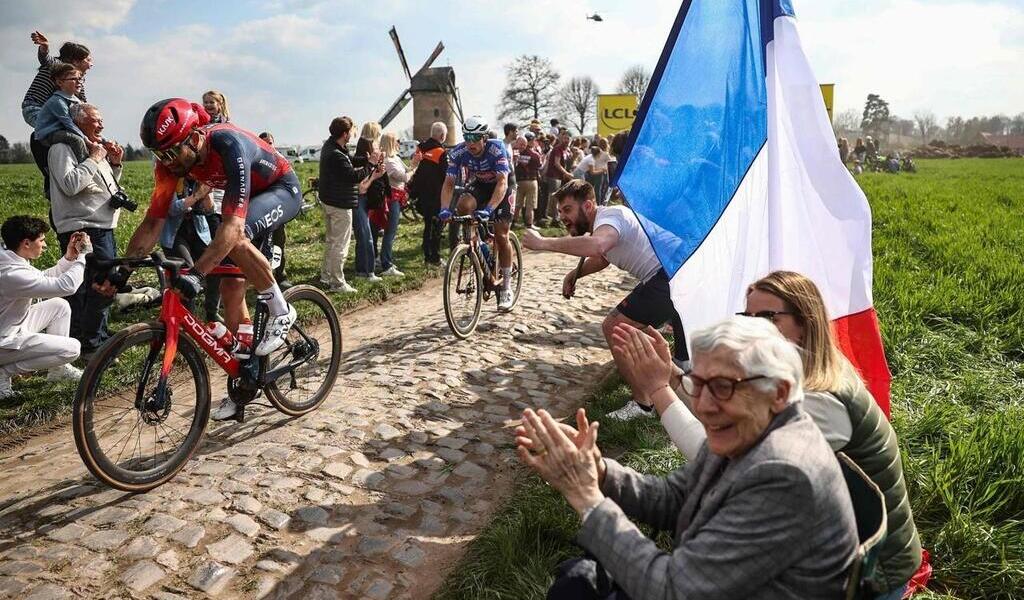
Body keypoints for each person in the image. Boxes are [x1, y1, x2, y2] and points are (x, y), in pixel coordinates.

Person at [611, 271, 922, 599]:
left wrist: (658, 391)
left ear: (805, 323)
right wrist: (674, 376)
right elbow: (729, 417)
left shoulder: (818, 399)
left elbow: (720, 459)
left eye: (769, 318)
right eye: (749, 317)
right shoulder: (801, 366)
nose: (755, 328)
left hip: (871, 576)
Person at [516, 316, 858, 599]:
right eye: (699, 383)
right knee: (577, 580)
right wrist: (599, 469)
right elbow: (674, 497)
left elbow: (674, 591)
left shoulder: (783, 472)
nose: (705, 406)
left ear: (779, 393)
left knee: (576, 587)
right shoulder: (751, 429)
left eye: (723, 387)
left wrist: (586, 497)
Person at [111, 98, 302, 421]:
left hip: (278, 189)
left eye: (172, 153)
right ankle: (246, 377)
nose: (167, 162)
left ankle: (281, 309)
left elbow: (232, 227)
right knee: (230, 289)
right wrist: (122, 272)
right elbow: (153, 223)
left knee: (235, 239)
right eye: (160, 155)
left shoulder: (227, 143)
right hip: (243, 198)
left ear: (194, 138)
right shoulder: (170, 164)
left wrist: (197, 274)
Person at [522, 179, 689, 420]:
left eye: (567, 210)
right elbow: (603, 256)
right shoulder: (606, 220)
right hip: (670, 274)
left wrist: (544, 243)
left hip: (668, 277)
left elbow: (598, 245)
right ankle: (677, 382)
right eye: (560, 212)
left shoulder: (609, 217)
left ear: (588, 206)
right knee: (633, 330)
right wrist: (575, 274)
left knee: (615, 327)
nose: (563, 217)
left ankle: (644, 404)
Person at [48, 102, 124, 359]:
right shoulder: (62, 147)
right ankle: (89, 343)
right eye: (95, 120)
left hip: (101, 225)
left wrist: (114, 164)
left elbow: (106, 188)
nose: (101, 124)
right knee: (93, 284)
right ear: (78, 121)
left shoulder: (92, 148)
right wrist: (94, 159)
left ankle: (95, 335)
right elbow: (70, 185)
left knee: (98, 282)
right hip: (82, 225)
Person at [0, 216, 87, 400]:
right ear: (26, 243)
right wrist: (83, 256)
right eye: (41, 240)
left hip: (10, 327)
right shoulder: (10, 274)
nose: (44, 246)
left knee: (59, 306)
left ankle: (58, 371)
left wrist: (69, 258)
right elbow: (66, 287)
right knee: (72, 349)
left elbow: (41, 279)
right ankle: (5, 370)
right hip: (3, 341)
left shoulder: (9, 258)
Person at [437, 116, 517, 311]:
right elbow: (448, 183)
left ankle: (506, 286)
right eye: (467, 137)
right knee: (463, 205)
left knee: (501, 234)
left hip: (503, 186)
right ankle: (479, 247)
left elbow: (502, 183)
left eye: (475, 138)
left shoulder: (496, 149)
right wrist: (444, 209)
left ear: (484, 138)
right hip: (481, 184)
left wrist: (489, 210)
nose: (470, 143)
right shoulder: (459, 152)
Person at [407, 121, 448, 264]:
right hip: (436, 195)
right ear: (442, 136)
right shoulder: (441, 152)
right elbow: (446, 176)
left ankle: (426, 253)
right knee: (436, 226)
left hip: (420, 193)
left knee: (428, 224)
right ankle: (434, 257)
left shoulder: (420, 149)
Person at [258, 131, 293, 289]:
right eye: (264, 142)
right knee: (261, 245)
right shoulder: (255, 161)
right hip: (260, 209)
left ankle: (281, 275)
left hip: (278, 208)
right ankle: (263, 278)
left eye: (270, 142)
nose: (267, 145)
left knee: (279, 242)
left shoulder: (281, 160)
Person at [353, 122, 383, 280]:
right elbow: (364, 169)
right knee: (366, 235)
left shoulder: (363, 146)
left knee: (364, 234)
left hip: (364, 193)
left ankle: (362, 270)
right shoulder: (367, 147)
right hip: (362, 193)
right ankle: (367, 271)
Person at [376, 132, 408, 277]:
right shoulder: (388, 160)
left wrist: (413, 166)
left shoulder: (396, 158)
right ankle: (386, 263)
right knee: (390, 231)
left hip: (397, 197)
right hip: (391, 198)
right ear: (391, 142)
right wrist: (414, 169)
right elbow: (404, 176)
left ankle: (384, 259)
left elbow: (407, 170)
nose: (399, 143)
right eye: (397, 141)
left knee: (391, 231)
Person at [543, 128, 573, 224]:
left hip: (560, 177)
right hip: (553, 176)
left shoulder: (566, 150)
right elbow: (557, 163)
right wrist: (566, 173)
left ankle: (556, 218)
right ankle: (554, 218)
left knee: (559, 198)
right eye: (564, 138)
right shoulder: (557, 149)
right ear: (561, 139)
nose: (566, 141)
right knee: (554, 197)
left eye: (568, 139)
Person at [513, 132, 542, 230]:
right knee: (530, 205)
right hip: (531, 180)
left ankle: (514, 222)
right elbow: (539, 167)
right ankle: (529, 224)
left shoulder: (517, 152)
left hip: (519, 181)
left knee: (517, 203)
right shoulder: (535, 154)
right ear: (532, 141)